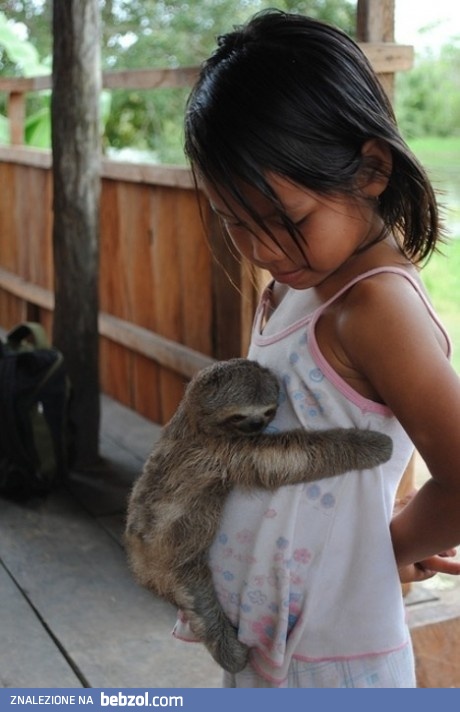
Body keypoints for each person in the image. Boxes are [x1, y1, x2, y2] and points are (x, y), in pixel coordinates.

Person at [173, 9, 460, 688]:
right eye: (235, 223)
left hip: (337, 659)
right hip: (276, 637)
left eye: (285, 221)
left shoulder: (374, 306)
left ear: (370, 169)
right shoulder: (300, 282)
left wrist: (390, 546)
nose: (263, 251)